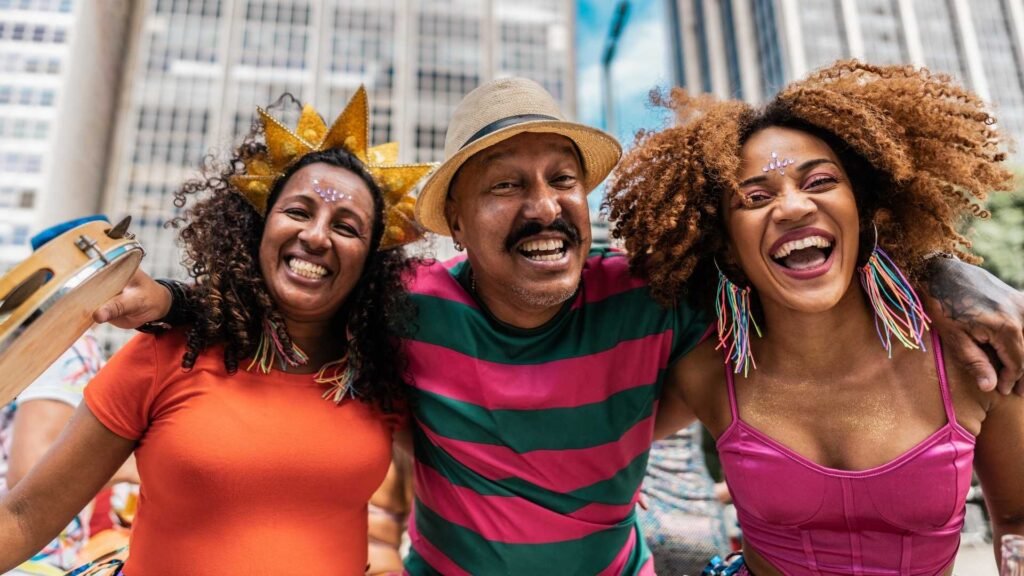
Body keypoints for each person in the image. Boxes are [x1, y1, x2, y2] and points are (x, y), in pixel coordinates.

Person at [98, 77, 1024, 574]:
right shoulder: (406, 309)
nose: (545, 206)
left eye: (562, 179)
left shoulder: (655, 296)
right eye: (507, 185)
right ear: (455, 224)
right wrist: (176, 301)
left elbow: (797, 251)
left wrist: (946, 270)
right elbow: (290, 289)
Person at [605, 60, 1024, 573]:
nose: (793, 207)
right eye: (756, 198)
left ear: (864, 210)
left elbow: (1018, 518)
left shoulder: (973, 357)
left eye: (820, 181)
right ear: (728, 248)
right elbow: (592, 449)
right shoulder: (706, 374)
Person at [0, 88, 434, 574]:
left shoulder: (380, 376)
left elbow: (486, 479)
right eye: (298, 211)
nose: (316, 236)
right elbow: (24, 515)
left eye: (347, 227)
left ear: (372, 264)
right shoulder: (167, 353)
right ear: (257, 227)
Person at [0, 217, 139, 576]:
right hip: (31, 562)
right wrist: (129, 468)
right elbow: (28, 470)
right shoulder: (67, 347)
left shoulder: (59, 343)